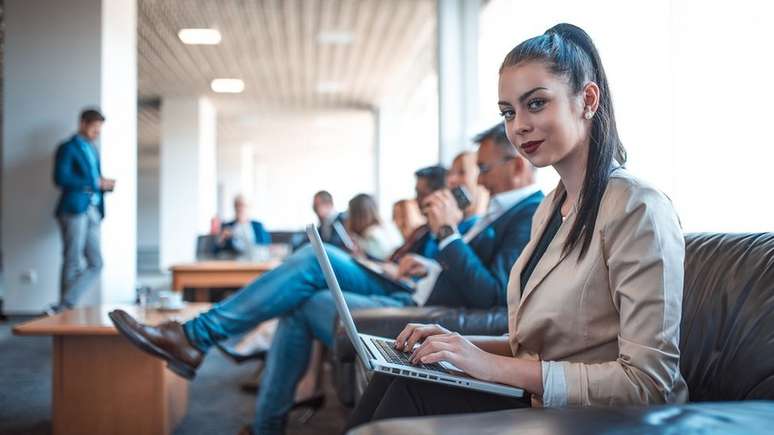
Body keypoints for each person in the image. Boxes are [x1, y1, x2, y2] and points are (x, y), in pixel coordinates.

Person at [346, 23, 687, 429]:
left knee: (414, 392)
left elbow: (647, 382)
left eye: (536, 104)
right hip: (542, 399)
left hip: (603, 417)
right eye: (508, 112)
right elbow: (538, 347)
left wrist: (486, 365)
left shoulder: (638, 207)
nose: (518, 125)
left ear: (588, 99)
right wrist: (454, 345)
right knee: (401, 375)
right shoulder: (550, 210)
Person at [108, 127, 542, 434]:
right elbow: (457, 271)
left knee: (312, 271)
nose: (478, 179)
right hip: (410, 285)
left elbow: (495, 292)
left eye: (483, 169)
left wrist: (446, 233)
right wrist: (421, 262)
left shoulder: (528, 213)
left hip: (417, 300)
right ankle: (219, 367)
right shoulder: (495, 211)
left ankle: (199, 342)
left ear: (518, 164)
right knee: (315, 261)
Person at [49, 109, 115, 314]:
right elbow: (60, 178)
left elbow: (94, 178)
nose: (97, 133)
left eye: (99, 129)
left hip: (93, 209)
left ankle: (64, 305)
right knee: (73, 259)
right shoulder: (68, 148)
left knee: (96, 263)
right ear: (83, 123)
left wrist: (103, 185)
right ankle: (65, 309)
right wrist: (94, 182)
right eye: (95, 128)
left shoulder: (92, 149)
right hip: (74, 208)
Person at [346, 193, 402, 261]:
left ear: (356, 215)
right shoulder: (388, 226)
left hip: (383, 268)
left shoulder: (370, 235)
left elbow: (374, 262)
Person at [214, 195, 271, 260]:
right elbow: (216, 251)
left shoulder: (258, 226)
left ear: (249, 207)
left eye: (244, 205)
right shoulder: (227, 226)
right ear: (234, 208)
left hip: (255, 262)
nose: (241, 209)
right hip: (233, 263)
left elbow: (265, 245)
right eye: (238, 205)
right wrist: (222, 239)